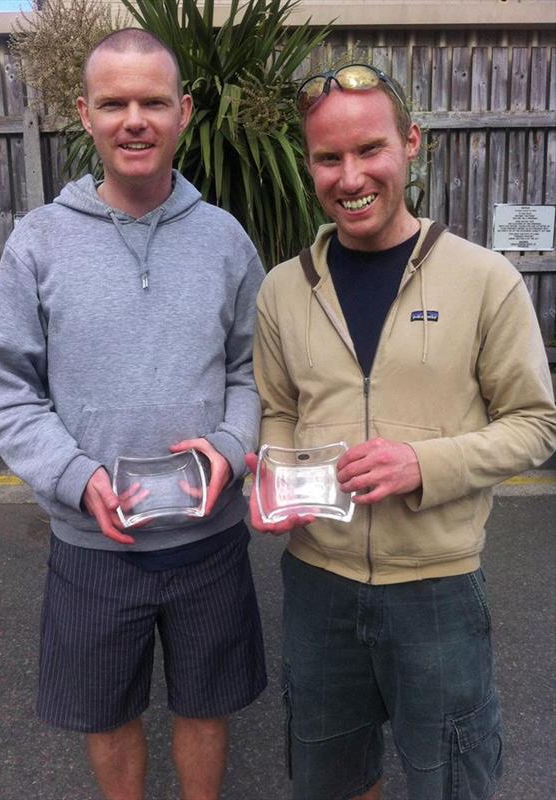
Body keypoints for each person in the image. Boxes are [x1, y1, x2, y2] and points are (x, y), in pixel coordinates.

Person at [247, 63, 556, 800]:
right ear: (309, 163)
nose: (350, 176)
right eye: (328, 157)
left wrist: (425, 464)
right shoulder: (284, 289)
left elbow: (535, 424)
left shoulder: (483, 280)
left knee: (449, 777)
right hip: (317, 581)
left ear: (409, 143)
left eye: (369, 150)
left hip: (438, 587)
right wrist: (273, 471)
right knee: (328, 776)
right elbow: (278, 407)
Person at [0, 28, 267, 800]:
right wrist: (73, 477)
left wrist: (233, 446)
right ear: (85, 114)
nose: (133, 119)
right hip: (92, 543)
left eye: (152, 101)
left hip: (208, 541)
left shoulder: (225, 241)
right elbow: (6, 386)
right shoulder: (37, 243)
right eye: (114, 103)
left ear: (184, 112)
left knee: (206, 706)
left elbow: (254, 369)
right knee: (106, 713)